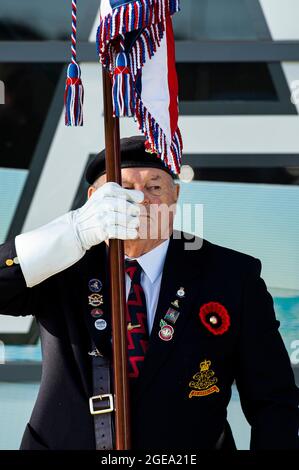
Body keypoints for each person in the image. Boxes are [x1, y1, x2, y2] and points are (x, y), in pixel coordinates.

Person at [0, 136, 298, 450]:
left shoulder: (230, 275)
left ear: (176, 196)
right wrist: (73, 231)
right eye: (123, 189)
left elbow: (273, 399)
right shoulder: (61, 266)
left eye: (155, 187)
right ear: (93, 199)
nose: (140, 200)